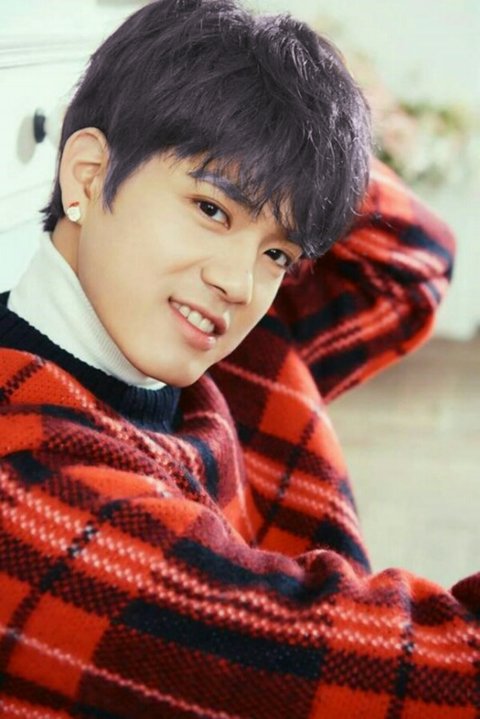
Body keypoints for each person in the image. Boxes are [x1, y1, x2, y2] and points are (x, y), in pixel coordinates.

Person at [0, 0, 477, 717]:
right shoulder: (33, 485)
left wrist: (288, 137)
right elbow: (429, 676)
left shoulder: (220, 346)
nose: (240, 284)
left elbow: (413, 263)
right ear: (88, 174)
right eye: (211, 209)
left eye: (278, 253)